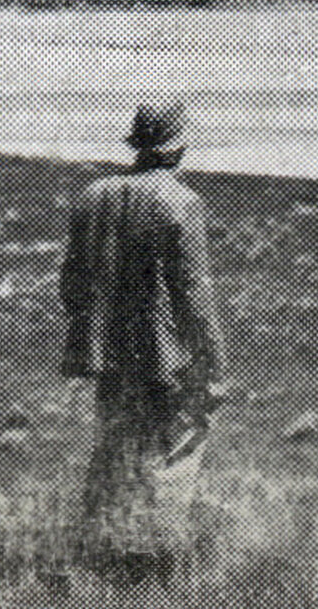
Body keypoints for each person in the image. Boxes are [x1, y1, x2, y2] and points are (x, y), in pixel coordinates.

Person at [58, 101, 228, 572]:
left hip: (108, 359)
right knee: (175, 452)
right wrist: (213, 370)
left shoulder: (94, 195)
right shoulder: (180, 202)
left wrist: (92, 335)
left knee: (114, 447)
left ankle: (93, 554)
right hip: (163, 361)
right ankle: (156, 565)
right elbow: (195, 297)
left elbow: (70, 283)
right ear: (179, 146)